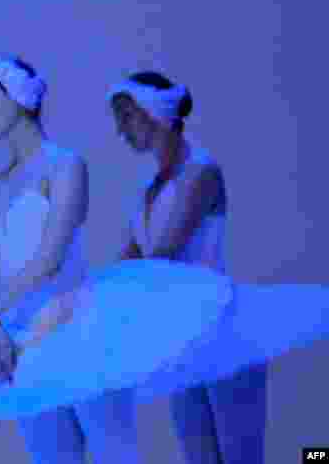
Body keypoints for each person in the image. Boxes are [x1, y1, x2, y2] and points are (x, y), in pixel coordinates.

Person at [0, 55, 141, 463]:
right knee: (50, 457)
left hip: (77, 328)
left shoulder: (66, 165)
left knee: (114, 454)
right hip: (21, 340)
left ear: (18, 97)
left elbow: (49, 259)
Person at [109, 71, 268, 463]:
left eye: (126, 116)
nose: (119, 129)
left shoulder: (202, 173)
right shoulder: (146, 188)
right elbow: (128, 260)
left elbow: (161, 257)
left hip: (223, 331)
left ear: (156, 112)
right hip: (182, 338)